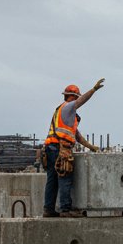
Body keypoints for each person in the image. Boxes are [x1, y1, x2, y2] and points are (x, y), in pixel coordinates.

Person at [43, 79, 105, 218]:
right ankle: (65, 209)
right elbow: (81, 101)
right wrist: (93, 90)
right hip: (60, 148)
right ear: (73, 97)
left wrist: (91, 147)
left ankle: (48, 209)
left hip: (51, 147)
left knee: (52, 180)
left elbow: (77, 136)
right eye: (76, 97)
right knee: (65, 177)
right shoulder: (69, 107)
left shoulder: (63, 112)